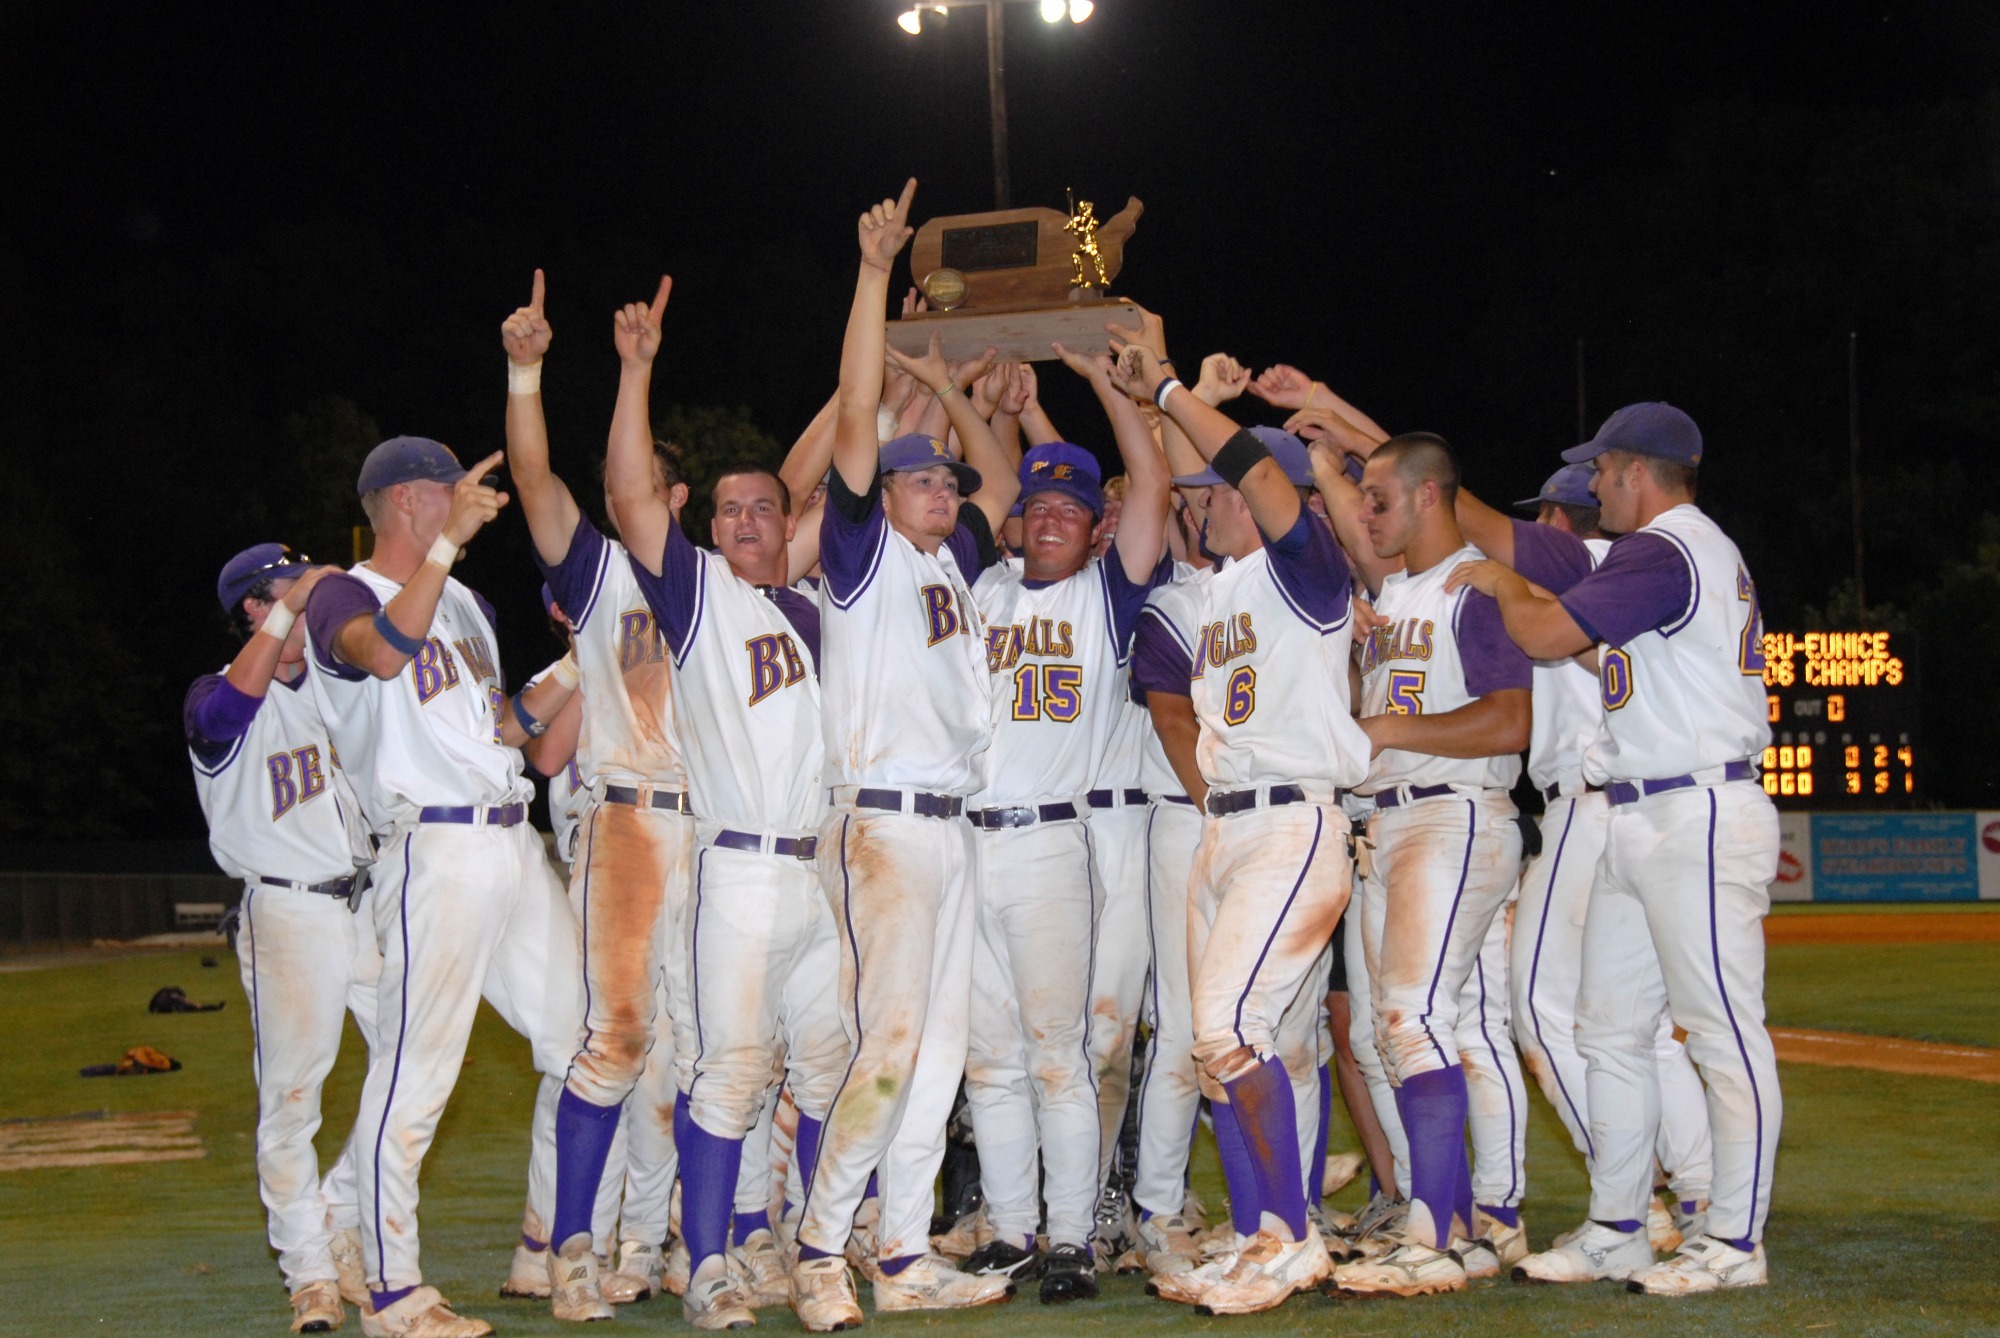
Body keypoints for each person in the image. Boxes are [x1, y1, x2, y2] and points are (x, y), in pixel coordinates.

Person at [1445, 403, 1781, 1295]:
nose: (1594, 484)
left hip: (1695, 809)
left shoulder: (1667, 547)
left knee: (1721, 1030)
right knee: (1609, 1031)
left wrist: (1503, 584)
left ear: (1636, 471)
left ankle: (1734, 1240)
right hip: (1642, 808)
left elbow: (1546, 637)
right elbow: (1618, 663)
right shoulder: (1675, 555)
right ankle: (1619, 1228)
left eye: (1601, 468)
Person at [786, 180, 1022, 1330]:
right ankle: (818, 1249)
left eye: (945, 483)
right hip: (881, 823)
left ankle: (899, 1252)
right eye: (924, 478)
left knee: (937, 1054)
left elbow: (1004, 489)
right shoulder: (865, 552)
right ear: (883, 490)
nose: (944, 492)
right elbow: (853, 414)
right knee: (886, 1043)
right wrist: (875, 277)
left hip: (948, 829)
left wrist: (957, 396)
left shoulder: (944, 566)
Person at [602, 276, 850, 1330]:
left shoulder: (818, 607)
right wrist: (636, 373)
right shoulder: (701, 596)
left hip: (820, 870)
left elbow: (854, 457)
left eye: (764, 507)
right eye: (728, 510)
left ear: (791, 522)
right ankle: (706, 1265)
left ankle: (814, 1251)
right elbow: (629, 500)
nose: (746, 520)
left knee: (830, 1069)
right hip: (740, 867)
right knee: (730, 1075)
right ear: (706, 527)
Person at [1100, 338, 1366, 1316]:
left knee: (1224, 1028)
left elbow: (1249, 469)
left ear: (1257, 500)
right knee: (1228, 1050)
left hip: (1290, 823)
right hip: (1227, 825)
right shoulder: (1216, 588)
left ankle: (1290, 1237)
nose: (1198, 502)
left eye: (1213, 493)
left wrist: (1173, 388)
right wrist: (1165, 400)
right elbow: (1191, 474)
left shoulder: (1305, 569)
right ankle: (1264, 1236)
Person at [302, 437, 583, 1338]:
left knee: (584, 1044)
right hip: (433, 848)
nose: (467, 496)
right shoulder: (344, 593)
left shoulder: (465, 601)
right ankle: (394, 1295)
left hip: (510, 839)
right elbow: (383, 655)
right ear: (403, 500)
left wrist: (578, 663)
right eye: (448, 486)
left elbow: (498, 727)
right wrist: (449, 543)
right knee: (416, 1071)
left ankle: (548, 1245)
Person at [955, 346, 1170, 1303]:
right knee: (990, 1059)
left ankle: (1074, 1238)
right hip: (968, 842)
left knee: (1057, 1052)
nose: (1049, 517)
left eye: (1070, 509)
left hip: (1051, 843)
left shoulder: (1105, 596)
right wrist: (968, 398)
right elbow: (983, 482)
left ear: (1093, 531)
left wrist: (1115, 392)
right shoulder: (981, 587)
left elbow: (1151, 488)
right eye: (1038, 504)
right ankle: (1010, 1231)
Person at [499, 270, 694, 1318]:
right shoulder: (602, 576)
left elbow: (810, 490)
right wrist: (527, 375)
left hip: (722, 833)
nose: (627, 491)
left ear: (677, 498)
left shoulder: (724, 574)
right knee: (612, 1046)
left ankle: (671, 1246)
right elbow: (535, 482)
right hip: (624, 827)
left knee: (702, 1058)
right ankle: (571, 1247)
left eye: (647, 481)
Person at [1301, 432, 1533, 1298]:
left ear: (1429, 496)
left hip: (1452, 812)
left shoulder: (1472, 588)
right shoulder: (1394, 593)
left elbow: (1511, 720)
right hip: (1388, 824)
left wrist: (1393, 728)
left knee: (1417, 1019)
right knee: (1388, 1030)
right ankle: (1455, 1219)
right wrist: (1324, 465)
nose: (1365, 515)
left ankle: (1453, 1227)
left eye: (1380, 499)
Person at [187, 544, 379, 1335]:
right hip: (287, 912)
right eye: (284, 593)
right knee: (292, 1102)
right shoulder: (217, 694)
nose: (304, 602)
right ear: (253, 611)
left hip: (365, 903)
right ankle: (310, 1274)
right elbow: (220, 719)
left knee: (416, 1066)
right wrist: (295, 607)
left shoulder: (333, 687)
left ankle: (336, 1210)